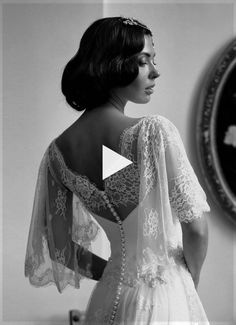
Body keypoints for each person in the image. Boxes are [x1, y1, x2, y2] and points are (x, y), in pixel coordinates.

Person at [25, 16, 210, 324]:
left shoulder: (57, 154)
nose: (155, 71)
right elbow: (197, 227)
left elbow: (60, 248)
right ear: (114, 64)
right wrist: (190, 281)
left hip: (108, 300)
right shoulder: (153, 132)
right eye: (143, 61)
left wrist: (116, 272)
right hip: (163, 298)